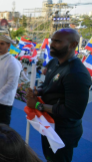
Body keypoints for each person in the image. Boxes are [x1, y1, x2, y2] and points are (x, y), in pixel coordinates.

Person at [26, 28, 91, 162]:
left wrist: (38, 105)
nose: (52, 44)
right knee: (49, 157)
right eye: (52, 40)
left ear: (73, 44)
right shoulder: (53, 62)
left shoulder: (77, 73)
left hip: (63, 132)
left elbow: (73, 112)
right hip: (48, 123)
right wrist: (38, 91)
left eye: (57, 41)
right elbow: (48, 87)